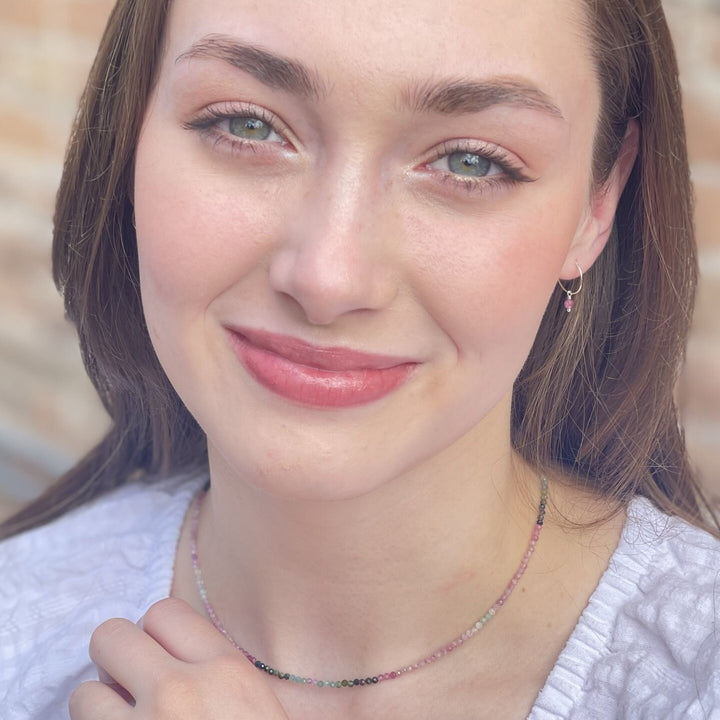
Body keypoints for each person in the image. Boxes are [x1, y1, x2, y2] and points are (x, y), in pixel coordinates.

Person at [1, 0, 718, 717]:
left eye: (471, 162)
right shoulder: (20, 624)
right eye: (246, 125)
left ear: (599, 202)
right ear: (128, 139)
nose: (328, 278)